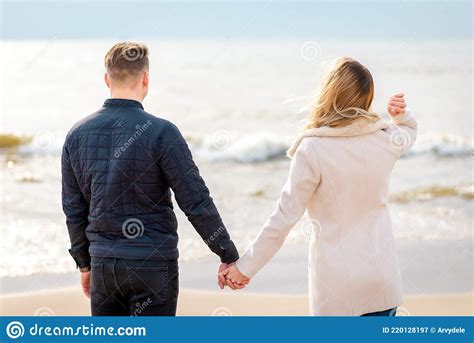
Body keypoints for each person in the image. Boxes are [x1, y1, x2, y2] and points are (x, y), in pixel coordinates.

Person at [219, 57, 417, 316]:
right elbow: (409, 131)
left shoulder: (312, 148)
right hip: (382, 282)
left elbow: (284, 218)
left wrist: (244, 268)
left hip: (337, 291)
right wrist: (400, 116)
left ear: (330, 93)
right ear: (367, 98)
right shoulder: (385, 139)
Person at [61, 42, 239, 316]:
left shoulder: (76, 135)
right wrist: (227, 254)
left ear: (107, 79)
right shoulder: (162, 132)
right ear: (146, 78)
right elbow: (195, 200)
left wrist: (85, 265)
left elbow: (74, 209)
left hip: (104, 266)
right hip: (153, 265)